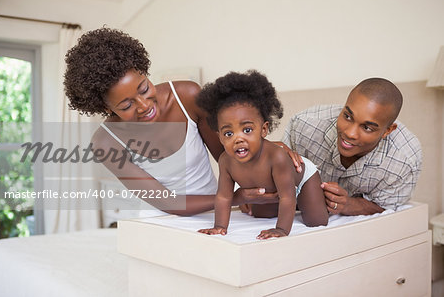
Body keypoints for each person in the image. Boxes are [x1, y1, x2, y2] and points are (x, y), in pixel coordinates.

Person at [63, 27, 283, 216]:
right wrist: (232, 199)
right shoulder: (106, 143)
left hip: (214, 210)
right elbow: (169, 202)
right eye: (126, 105)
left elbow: (230, 157)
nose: (144, 106)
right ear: (105, 108)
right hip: (160, 219)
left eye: (144, 88)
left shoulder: (187, 97)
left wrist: (275, 153)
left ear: (144, 72)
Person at [197, 70, 329, 239]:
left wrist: (281, 229)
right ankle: (297, 205)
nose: (238, 139)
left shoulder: (277, 157)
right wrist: (219, 226)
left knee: (317, 221)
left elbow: (287, 197)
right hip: (274, 188)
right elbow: (223, 197)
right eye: (228, 133)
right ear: (219, 136)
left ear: (264, 129)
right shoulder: (225, 161)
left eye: (247, 130)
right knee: (261, 215)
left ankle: (311, 198)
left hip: (302, 179)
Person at [282, 78, 422, 216]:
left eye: (367, 128)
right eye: (348, 116)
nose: (350, 133)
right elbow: (277, 178)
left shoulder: (404, 159)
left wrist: (348, 205)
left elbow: (388, 209)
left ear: (388, 131)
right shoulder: (303, 126)